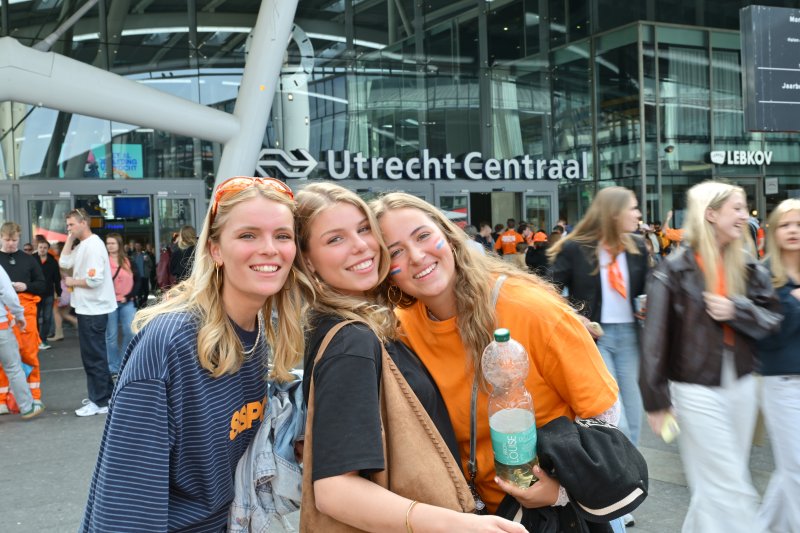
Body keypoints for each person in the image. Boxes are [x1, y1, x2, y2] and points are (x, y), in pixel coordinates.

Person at [372, 193, 619, 521]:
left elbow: (604, 413)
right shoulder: (400, 327)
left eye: (423, 236)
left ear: (448, 235)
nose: (416, 256)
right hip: (466, 515)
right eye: (395, 252)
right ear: (387, 270)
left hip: (550, 516)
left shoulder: (530, 309)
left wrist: (559, 489)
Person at [81, 176, 306, 532]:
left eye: (282, 235)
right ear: (215, 250)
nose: (270, 249)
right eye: (248, 235)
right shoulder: (170, 342)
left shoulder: (259, 329)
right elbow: (126, 510)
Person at [294, 183, 523, 532]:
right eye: (335, 239)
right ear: (307, 260)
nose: (361, 246)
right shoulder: (351, 341)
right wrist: (461, 526)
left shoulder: (353, 323)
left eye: (363, 229)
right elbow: (333, 490)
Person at [639, 181, 781, 533]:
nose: (743, 215)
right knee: (731, 483)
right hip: (695, 388)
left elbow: (771, 319)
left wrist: (737, 309)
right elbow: (655, 340)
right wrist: (656, 400)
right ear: (711, 213)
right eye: (736, 207)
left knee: (710, 485)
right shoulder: (673, 270)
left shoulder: (748, 266)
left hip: (743, 384)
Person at [548, 186, 649, 447]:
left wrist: (649, 301)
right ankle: (621, 475)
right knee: (618, 418)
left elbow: (646, 289)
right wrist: (574, 316)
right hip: (595, 338)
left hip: (630, 336)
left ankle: (631, 475)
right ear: (614, 213)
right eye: (633, 207)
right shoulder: (575, 248)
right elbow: (547, 291)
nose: (638, 213)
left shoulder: (638, 246)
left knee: (635, 417)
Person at [757, 198, 800, 533]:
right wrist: (794, 303)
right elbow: (767, 336)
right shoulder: (765, 274)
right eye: (786, 225)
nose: (793, 231)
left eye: (798, 224)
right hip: (783, 383)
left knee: (790, 471)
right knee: (796, 468)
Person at [59, 209, 118, 417]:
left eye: (72, 225)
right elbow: (64, 263)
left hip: (93, 310)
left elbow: (95, 280)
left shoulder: (92, 246)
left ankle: (99, 401)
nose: (69, 229)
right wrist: (69, 237)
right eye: (67, 226)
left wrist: (72, 281)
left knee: (93, 358)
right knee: (96, 356)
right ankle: (106, 397)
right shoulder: (85, 244)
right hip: (90, 309)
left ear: (84, 223)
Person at [0, 222, 46, 415]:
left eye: (15, 240)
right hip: (8, 314)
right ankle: (3, 400)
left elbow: (42, 285)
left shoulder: (29, 260)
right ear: (1, 238)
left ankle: (34, 396)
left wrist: (25, 286)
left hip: (25, 313)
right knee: (6, 362)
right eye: (7, 239)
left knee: (28, 355)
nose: (11, 243)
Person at [104, 233, 139, 378]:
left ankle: (124, 363)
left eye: (113, 243)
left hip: (127, 302)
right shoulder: (103, 261)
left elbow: (138, 281)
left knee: (130, 331)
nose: (110, 246)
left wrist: (129, 296)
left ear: (119, 244)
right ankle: (114, 368)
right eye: (108, 243)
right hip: (109, 303)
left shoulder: (128, 261)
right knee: (111, 337)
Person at [35, 238, 61, 350]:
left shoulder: (53, 261)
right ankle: (36, 339)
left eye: (45, 247)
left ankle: (43, 339)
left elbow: (57, 278)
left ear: (48, 249)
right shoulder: (32, 259)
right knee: (34, 318)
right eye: (40, 247)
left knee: (47, 317)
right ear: (37, 248)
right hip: (35, 294)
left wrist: (59, 292)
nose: (42, 249)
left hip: (49, 294)